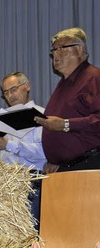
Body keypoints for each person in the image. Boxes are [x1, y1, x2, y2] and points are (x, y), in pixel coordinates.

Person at [0, 72, 46, 229]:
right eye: (6, 92)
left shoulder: (40, 115)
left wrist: (9, 145)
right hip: (6, 182)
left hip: (31, 181)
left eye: (14, 89)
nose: (10, 95)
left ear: (27, 86)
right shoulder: (2, 118)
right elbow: (2, 158)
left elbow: (43, 153)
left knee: (29, 233)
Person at [36, 27, 100, 173]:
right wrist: (54, 160)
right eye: (54, 50)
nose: (56, 55)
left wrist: (65, 124)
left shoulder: (94, 78)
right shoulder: (63, 84)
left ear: (79, 50)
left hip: (89, 168)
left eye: (62, 48)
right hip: (64, 169)